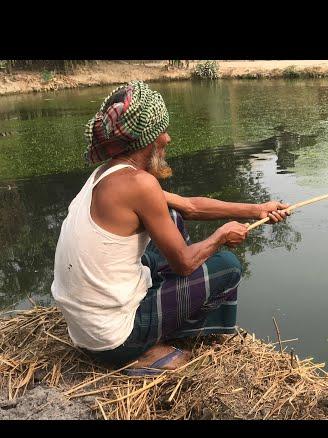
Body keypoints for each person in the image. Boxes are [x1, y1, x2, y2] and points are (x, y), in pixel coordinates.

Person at [51, 80, 290, 375]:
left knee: (173, 218)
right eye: (161, 132)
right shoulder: (141, 184)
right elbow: (185, 263)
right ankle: (150, 347)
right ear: (146, 141)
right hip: (113, 342)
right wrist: (220, 236)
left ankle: (158, 319)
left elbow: (189, 206)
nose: (168, 139)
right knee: (227, 266)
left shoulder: (109, 172)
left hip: (85, 332)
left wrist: (256, 209)